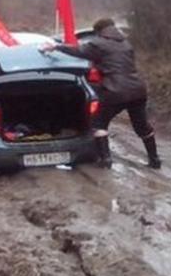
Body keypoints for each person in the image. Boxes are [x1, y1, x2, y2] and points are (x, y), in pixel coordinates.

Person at [39, 18, 161, 169]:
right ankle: (154, 160)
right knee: (142, 126)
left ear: (99, 31)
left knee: (98, 123)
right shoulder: (126, 44)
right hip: (137, 90)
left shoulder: (98, 44)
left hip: (115, 90)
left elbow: (78, 51)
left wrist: (56, 47)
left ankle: (105, 160)